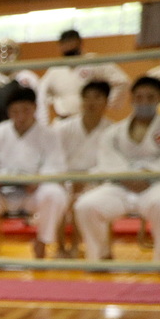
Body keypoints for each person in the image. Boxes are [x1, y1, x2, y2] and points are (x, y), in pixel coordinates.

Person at [74, 76, 160, 262]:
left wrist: (146, 174)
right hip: (120, 185)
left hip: (158, 185)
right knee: (86, 205)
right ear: (132, 99)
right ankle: (99, 257)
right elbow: (107, 159)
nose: (144, 102)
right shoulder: (114, 132)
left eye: (150, 97)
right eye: (139, 97)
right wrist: (127, 176)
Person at [0, 85, 67, 259]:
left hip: (33, 193)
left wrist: (37, 180)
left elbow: (55, 167)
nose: (20, 116)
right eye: (15, 111)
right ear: (8, 112)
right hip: (2, 193)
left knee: (55, 194)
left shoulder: (49, 135)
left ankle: (42, 242)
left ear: (35, 108)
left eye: (25, 110)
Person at [53, 79, 112, 254]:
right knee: (57, 196)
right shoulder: (63, 128)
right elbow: (54, 159)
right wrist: (67, 180)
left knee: (82, 200)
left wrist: (85, 180)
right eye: (87, 97)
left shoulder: (112, 130)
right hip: (65, 178)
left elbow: (109, 164)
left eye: (97, 97)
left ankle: (76, 246)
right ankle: (60, 247)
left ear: (106, 101)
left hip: (96, 181)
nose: (91, 102)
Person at [38, 29, 129, 123]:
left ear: (80, 43)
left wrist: (107, 103)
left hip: (90, 119)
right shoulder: (55, 69)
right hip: (63, 120)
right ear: (60, 46)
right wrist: (55, 103)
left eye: (71, 43)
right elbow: (41, 91)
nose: (68, 46)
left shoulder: (92, 61)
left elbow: (121, 81)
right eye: (65, 44)